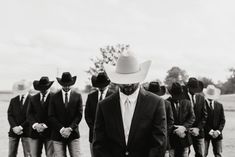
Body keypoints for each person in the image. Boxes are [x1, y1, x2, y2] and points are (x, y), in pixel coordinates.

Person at [93, 51, 167, 157]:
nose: (128, 84)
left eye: (132, 80)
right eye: (123, 81)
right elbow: (99, 144)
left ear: (140, 78)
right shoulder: (104, 106)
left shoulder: (156, 103)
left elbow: (159, 143)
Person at [48, 72, 83, 157]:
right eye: (64, 85)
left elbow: (79, 115)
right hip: (57, 135)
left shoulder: (77, 96)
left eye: (68, 85)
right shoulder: (54, 97)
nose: (66, 87)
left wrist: (70, 129)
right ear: (61, 84)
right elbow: (51, 115)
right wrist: (62, 129)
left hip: (73, 134)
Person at [85, 72, 113, 157]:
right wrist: (95, 129)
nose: (101, 88)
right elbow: (87, 115)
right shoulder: (91, 96)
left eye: (103, 85)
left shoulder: (114, 96)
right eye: (99, 85)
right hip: (93, 136)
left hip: (110, 136)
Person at [27, 76, 54, 157]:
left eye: (44, 89)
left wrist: (44, 126)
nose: (42, 91)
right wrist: (36, 125)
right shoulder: (33, 98)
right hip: (35, 133)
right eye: (41, 89)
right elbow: (29, 114)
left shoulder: (55, 98)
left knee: (50, 155)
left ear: (48, 87)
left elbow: (56, 115)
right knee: (34, 155)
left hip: (50, 133)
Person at [167, 82, 195, 157]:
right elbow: (165, 121)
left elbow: (192, 117)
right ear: (171, 94)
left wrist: (184, 127)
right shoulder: (165, 103)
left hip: (184, 138)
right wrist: (176, 130)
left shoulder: (187, 103)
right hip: (171, 140)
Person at [148, 81, 174, 157]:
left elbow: (171, 122)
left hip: (163, 143)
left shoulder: (166, 104)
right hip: (148, 143)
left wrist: (163, 133)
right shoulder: (144, 104)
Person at [184, 77, 207, 157]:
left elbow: (204, 116)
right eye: (193, 88)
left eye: (196, 88)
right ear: (188, 87)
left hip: (199, 132)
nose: (195, 90)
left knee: (200, 154)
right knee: (186, 153)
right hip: (186, 132)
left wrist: (198, 128)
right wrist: (187, 128)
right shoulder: (182, 98)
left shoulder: (201, 98)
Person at [7, 80, 32, 157]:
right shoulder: (13, 100)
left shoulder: (33, 100)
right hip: (13, 131)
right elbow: (10, 115)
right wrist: (14, 127)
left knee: (28, 154)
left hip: (27, 131)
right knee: (11, 154)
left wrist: (20, 127)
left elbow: (32, 116)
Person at [203, 85, 225, 157]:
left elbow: (222, 120)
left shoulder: (219, 105)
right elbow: (202, 120)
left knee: (218, 154)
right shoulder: (202, 105)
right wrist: (211, 131)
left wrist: (218, 132)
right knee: (203, 154)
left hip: (217, 135)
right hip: (205, 134)